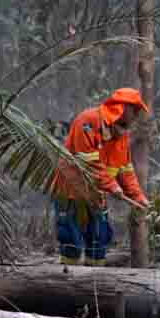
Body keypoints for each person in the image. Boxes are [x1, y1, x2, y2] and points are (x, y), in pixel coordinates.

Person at [51, 88, 151, 266]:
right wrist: (113, 187)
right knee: (70, 241)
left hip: (97, 196)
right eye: (134, 109)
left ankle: (96, 286)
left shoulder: (121, 134)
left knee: (99, 240)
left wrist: (138, 196)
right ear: (121, 108)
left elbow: (125, 170)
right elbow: (88, 162)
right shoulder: (88, 121)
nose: (136, 115)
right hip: (71, 193)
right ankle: (66, 285)